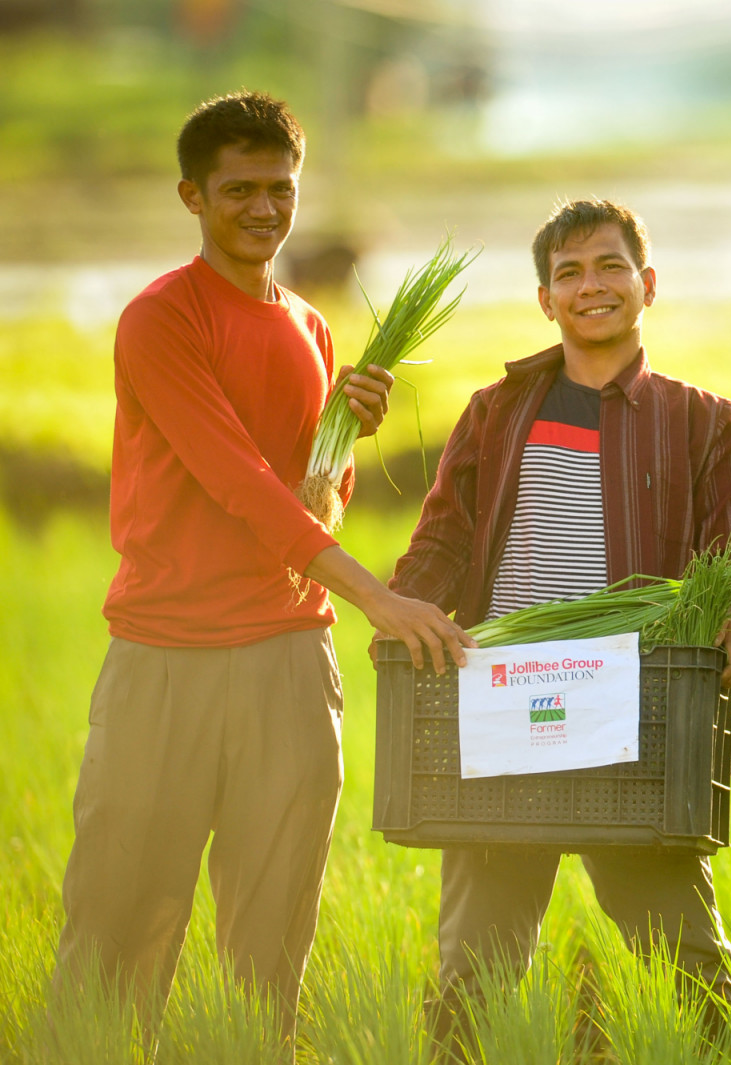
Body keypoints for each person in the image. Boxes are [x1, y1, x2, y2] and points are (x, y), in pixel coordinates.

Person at [52, 91, 473, 1048]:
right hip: (168, 659)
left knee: (272, 946)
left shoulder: (314, 331)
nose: (263, 208)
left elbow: (309, 501)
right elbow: (238, 484)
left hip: (289, 663)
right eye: (238, 189)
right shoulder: (161, 318)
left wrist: (343, 432)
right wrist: (375, 594)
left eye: (279, 188)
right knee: (118, 931)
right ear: (191, 196)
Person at [387, 198, 731, 1044]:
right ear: (544, 298)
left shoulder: (703, 419)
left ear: (648, 284)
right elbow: (444, 538)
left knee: (687, 957)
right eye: (569, 273)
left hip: (639, 722)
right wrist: (401, 608)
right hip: (503, 714)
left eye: (609, 267)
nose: (590, 286)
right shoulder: (498, 412)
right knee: (473, 970)